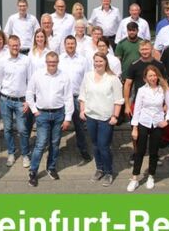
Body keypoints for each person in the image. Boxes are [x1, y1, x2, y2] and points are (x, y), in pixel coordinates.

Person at [26, 52, 74, 186]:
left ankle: (51, 167)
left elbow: (68, 97)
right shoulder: (37, 75)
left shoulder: (64, 76)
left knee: (55, 143)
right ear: (46, 62)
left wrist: (68, 118)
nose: (52, 64)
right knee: (41, 144)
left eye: (54, 62)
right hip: (42, 114)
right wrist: (34, 111)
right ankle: (33, 171)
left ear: (58, 62)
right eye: (49, 62)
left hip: (58, 114)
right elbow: (29, 93)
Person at [79, 52, 124, 187]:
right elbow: (83, 95)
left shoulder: (113, 78)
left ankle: (109, 172)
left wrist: (115, 116)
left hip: (106, 118)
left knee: (104, 146)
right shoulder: (88, 76)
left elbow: (118, 100)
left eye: (101, 61)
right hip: (91, 116)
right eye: (96, 61)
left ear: (105, 62)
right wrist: (82, 110)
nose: (98, 63)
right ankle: (99, 169)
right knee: (95, 145)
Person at [127, 66, 169, 192]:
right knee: (140, 151)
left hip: (157, 123)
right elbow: (137, 109)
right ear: (145, 78)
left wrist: (167, 120)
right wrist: (135, 128)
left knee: (154, 152)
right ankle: (135, 178)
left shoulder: (163, 90)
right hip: (143, 122)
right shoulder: (142, 90)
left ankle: (151, 176)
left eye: (154, 75)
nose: (153, 78)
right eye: (150, 76)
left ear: (157, 76)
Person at [0, 35, 32, 168]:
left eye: (17, 45)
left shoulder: (26, 60)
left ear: (20, 46)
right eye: (12, 45)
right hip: (5, 100)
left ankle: (25, 154)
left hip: (21, 101)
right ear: (8, 46)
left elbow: (30, 81)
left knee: (22, 129)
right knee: (8, 128)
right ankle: (11, 152)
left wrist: (28, 101)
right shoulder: (3, 61)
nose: (15, 47)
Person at [58, 35, 91, 163]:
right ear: (64, 45)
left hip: (78, 97)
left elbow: (87, 78)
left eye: (72, 43)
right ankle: (55, 149)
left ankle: (83, 150)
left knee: (80, 127)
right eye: (68, 44)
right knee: (59, 125)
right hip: (62, 98)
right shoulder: (60, 59)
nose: (70, 46)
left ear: (76, 45)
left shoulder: (83, 60)